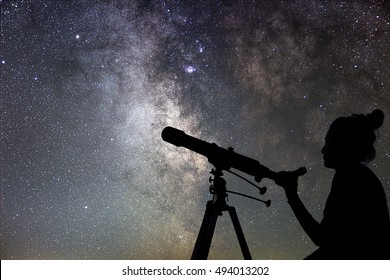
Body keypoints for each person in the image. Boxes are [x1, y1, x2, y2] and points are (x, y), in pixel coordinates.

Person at [275, 109, 390, 259]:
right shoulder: (356, 175)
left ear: (341, 143)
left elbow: (322, 238)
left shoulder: (349, 177)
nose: (323, 150)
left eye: (327, 142)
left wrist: (292, 195)